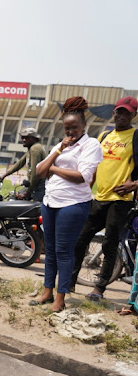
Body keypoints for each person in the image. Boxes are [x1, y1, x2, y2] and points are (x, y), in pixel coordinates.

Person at [30, 96, 103, 312]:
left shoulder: (91, 145)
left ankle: (60, 297)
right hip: (51, 202)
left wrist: (53, 169)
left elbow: (82, 176)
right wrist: (59, 150)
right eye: (67, 128)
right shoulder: (59, 145)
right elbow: (39, 171)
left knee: (64, 251)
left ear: (84, 126)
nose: (70, 132)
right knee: (50, 250)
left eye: (75, 128)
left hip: (73, 204)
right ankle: (47, 291)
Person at [70, 96, 138, 301]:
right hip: (99, 197)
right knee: (81, 239)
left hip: (120, 201)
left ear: (134, 115)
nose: (121, 116)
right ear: (113, 112)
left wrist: (134, 185)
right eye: (119, 111)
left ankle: (98, 289)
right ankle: (69, 282)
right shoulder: (104, 136)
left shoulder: (136, 136)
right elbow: (93, 169)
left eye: (126, 112)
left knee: (110, 244)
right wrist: (83, 193)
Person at [0, 128, 47, 201]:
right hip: (33, 185)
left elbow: (35, 174)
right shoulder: (32, 148)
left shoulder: (35, 149)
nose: (24, 140)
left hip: (39, 187)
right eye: (22, 137)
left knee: (30, 208)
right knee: (15, 196)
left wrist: (27, 193)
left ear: (34, 138)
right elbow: (20, 163)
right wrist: (4, 176)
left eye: (27, 138)